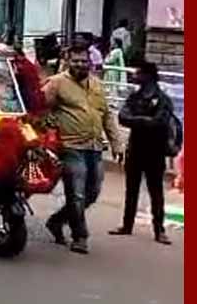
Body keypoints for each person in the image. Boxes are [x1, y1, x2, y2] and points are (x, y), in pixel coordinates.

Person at [43, 43, 121, 254]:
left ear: (90, 62)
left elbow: (107, 116)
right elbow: (41, 107)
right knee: (76, 194)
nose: (80, 65)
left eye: (84, 61)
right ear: (68, 61)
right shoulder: (56, 83)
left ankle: (57, 221)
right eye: (76, 61)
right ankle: (80, 236)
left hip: (95, 147)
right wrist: (49, 126)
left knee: (92, 193)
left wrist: (117, 143)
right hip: (70, 146)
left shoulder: (97, 85)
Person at [110, 61, 176, 246]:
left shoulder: (163, 99)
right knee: (131, 190)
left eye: (138, 73)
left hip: (155, 152)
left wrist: (138, 121)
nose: (134, 76)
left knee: (156, 192)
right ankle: (126, 225)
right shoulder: (134, 97)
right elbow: (123, 117)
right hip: (136, 149)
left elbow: (160, 122)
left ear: (148, 76)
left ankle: (159, 230)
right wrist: (146, 120)